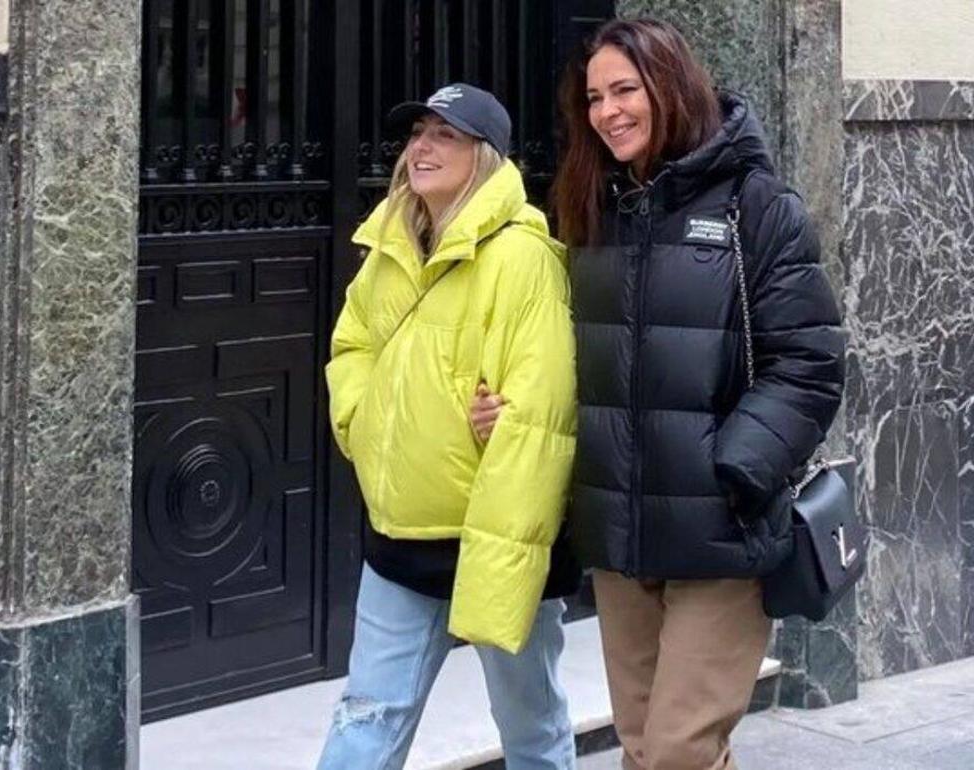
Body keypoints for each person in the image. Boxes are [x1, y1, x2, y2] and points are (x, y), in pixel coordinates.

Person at [470, 19, 845, 770]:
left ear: (670, 85)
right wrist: (515, 415)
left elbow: (809, 362)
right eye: (595, 98)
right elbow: (568, 356)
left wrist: (732, 467)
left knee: (678, 749)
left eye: (625, 90)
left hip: (720, 532)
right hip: (620, 533)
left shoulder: (755, 206)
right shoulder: (592, 209)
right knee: (645, 749)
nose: (609, 112)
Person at [317, 83, 580, 770]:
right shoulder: (389, 244)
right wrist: (364, 425)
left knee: (531, 726)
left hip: (491, 535)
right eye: (418, 133)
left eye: (446, 135)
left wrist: (503, 422)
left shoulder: (522, 255)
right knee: (367, 714)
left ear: (484, 157)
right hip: (399, 533)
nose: (423, 148)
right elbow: (352, 348)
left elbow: (541, 410)